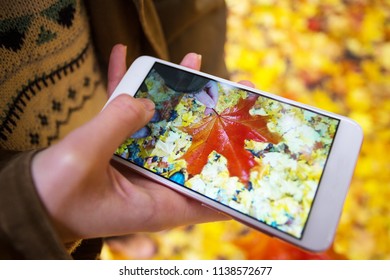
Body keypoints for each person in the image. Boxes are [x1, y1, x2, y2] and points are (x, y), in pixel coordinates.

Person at [0, 0, 230, 259]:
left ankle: (121, 230)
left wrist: (203, 78)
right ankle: (110, 231)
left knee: (121, 176)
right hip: (23, 161)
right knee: (111, 188)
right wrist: (29, 211)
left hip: (99, 99)